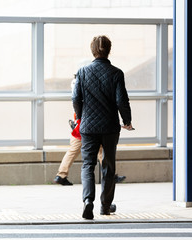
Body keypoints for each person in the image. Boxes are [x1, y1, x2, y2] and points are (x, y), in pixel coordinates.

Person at [72, 35, 133, 220]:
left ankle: (88, 201)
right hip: (109, 127)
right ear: (109, 50)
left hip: (88, 126)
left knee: (87, 164)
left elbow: (76, 98)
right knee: (108, 165)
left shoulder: (82, 72)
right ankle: (105, 206)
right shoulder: (116, 73)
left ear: (92, 50)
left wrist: (81, 117)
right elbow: (122, 101)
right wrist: (127, 120)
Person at [53, 77, 126, 186]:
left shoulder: (76, 98)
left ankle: (61, 175)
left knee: (74, 152)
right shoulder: (88, 97)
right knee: (101, 151)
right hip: (87, 131)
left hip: (78, 131)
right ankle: (112, 176)